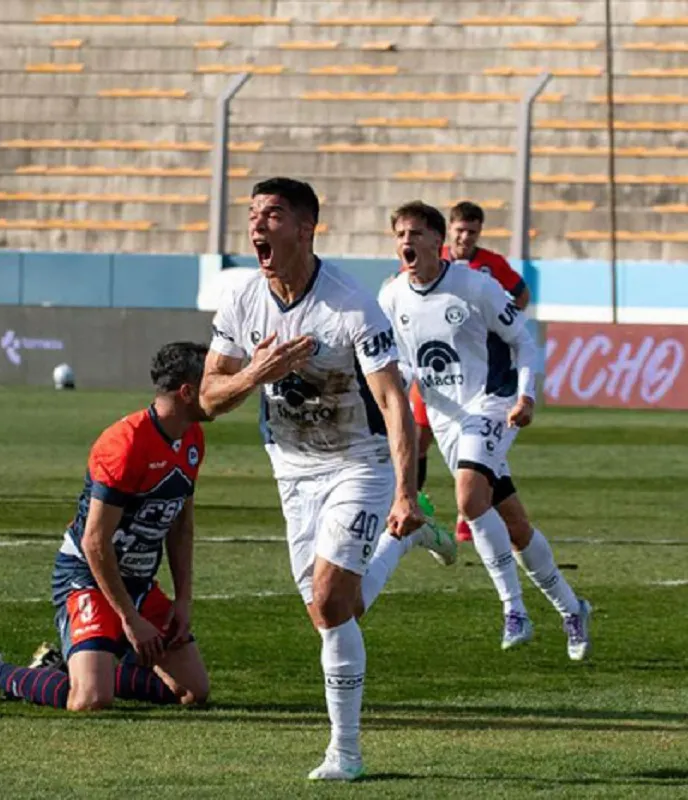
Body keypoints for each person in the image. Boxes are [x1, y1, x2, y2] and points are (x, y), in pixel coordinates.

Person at [201, 177, 454, 782]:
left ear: (306, 228)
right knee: (333, 608)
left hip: (356, 466)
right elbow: (209, 397)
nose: (258, 225)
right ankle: (404, 539)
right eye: (254, 214)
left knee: (332, 601)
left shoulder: (349, 304)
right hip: (291, 471)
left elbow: (394, 403)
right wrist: (256, 373)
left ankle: (345, 753)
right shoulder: (239, 297)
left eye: (274, 215)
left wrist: (399, 488)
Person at [0, 342, 211, 712]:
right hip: (88, 576)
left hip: (139, 582)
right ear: (187, 392)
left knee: (193, 693)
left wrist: (183, 602)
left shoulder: (192, 438)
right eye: (214, 381)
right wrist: (130, 619)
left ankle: (76, 667)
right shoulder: (125, 444)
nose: (225, 389)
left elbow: (180, 528)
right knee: (90, 700)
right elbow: (94, 542)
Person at [380, 201, 592, 659]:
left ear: (438, 242)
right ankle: (573, 608)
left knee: (468, 499)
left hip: (492, 403)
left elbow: (525, 342)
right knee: (515, 525)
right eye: (400, 234)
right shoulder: (392, 297)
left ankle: (514, 609)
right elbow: (401, 368)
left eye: (416, 233)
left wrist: (526, 397)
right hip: (447, 417)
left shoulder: (475, 286)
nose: (406, 242)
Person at [414, 201, 533, 541]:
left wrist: (498, 324)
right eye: (460, 230)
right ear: (449, 231)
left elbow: (521, 294)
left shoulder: (491, 265)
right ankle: (415, 504)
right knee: (418, 438)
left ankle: (468, 515)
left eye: (472, 232)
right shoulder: (430, 260)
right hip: (434, 367)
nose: (466, 237)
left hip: (477, 373)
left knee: (476, 446)